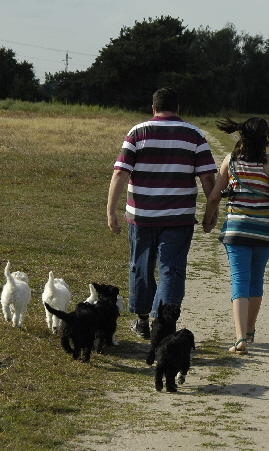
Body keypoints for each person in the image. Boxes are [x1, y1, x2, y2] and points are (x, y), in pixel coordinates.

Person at [107, 87, 217, 339]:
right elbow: (208, 178)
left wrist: (110, 210)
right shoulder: (194, 134)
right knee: (171, 269)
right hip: (179, 217)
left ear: (153, 108)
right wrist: (212, 214)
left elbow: (120, 173)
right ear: (178, 108)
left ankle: (143, 321)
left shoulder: (138, 132)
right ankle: (164, 324)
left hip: (141, 216)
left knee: (141, 266)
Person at [202, 117, 269, 353]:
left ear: (242, 137)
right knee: (256, 281)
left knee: (239, 280)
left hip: (236, 230)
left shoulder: (231, 161)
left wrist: (209, 219)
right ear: (265, 138)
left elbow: (215, 196)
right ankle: (249, 330)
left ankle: (239, 339)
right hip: (263, 232)